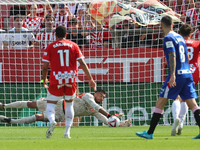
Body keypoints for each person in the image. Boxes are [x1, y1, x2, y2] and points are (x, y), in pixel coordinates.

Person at [135, 16, 200, 139]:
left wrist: (173, 75)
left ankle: (149, 133)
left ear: (161, 25)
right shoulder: (180, 37)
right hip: (187, 73)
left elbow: (172, 55)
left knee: (160, 102)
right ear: (173, 24)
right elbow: (185, 55)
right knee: (193, 104)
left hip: (177, 75)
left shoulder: (168, 38)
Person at [42, 25, 96, 139]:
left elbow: (45, 67)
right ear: (66, 34)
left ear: (55, 35)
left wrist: (44, 79)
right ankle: (67, 132)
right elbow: (82, 63)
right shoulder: (74, 45)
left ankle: (52, 121)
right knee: (69, 104)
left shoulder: (50, 47)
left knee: (50, 104)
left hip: (56, 78)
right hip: (71, 78)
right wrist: (90, 78)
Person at [0, 89, 131, 127]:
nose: (101, 98)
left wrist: (118, 123)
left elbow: (104, 120)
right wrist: (110, 115)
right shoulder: (88, 96)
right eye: (101, 95)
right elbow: (97, 107)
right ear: (95, 93)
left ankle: (11, 121)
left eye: (103, 98)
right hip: (58, 103)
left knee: (37, 117)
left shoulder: (94, 111)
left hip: (60, 115)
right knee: (30, 104)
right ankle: (4, 106)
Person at [171, 24, 200, 136]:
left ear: (179, 33)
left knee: (177, 97)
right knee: (187, 99)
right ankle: (182, 121)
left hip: (181, 71)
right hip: (194, 73)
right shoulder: (197, 43)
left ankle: (176, 119)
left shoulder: (177, 42)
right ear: (191, 34)